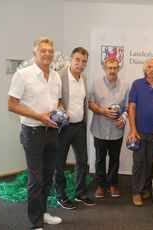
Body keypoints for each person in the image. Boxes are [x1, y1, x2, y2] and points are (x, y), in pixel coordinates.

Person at [8, 37, 63, 229]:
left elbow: (58, 102)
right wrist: (39, 116)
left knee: (48, 176)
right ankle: (35, 223)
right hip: (32, 134)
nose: (47, 54)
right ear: (34, 52)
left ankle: (44, 212)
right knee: (36, 179)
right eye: (43, 50)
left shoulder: (56, 76)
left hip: (52, 133)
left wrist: (62, 112)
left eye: (50, 50)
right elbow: (12, 105)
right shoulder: (23, 75)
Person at [53, 47, 95, 209]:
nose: (80, 64)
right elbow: (54, 98)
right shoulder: (59, 76)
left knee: (82, 162)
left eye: (84, 61)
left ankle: (80, 193)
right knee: (59, 164)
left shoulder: (83, 78)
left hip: (79, 127)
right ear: (71, 59)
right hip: (63, 128)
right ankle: (60, 195)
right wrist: (61, 107)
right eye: (77, 60)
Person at [128, 58, 153, 206]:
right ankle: (136, 192)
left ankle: (145, 187)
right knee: (138, 162)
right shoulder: (137, 84)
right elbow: (131, 107)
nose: (152, 69)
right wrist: (132, 129)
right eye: (149, 67)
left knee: (150, 161)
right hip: (139, 132)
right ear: (145, 70)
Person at [88, 57, 130, 199]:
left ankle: (112, 184)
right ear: (104, 68)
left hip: (116, 130)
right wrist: (102, 111)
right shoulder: (96, 84)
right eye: (109, 68)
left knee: (114, 158)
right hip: (99, 129)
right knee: (99, 159)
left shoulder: (124, 85)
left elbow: (127, 107)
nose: (112, 70)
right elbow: (90, 103)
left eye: (115, 68)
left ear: (118, 68)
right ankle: (100, 185)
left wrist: (124, 117)